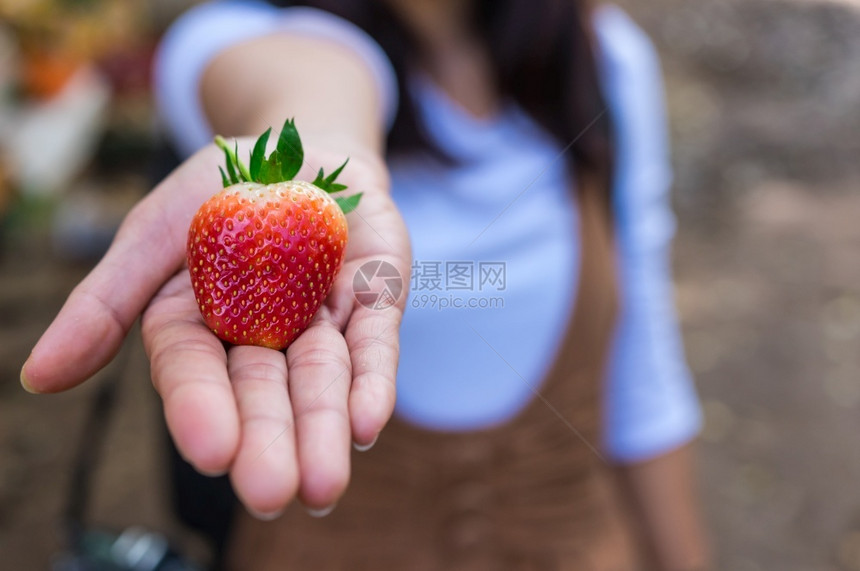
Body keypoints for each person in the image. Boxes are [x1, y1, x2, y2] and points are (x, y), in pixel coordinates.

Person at [22, 0, 710, 568]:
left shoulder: (604, 64)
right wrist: (319, 140)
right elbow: (308, 71)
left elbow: (640, 368)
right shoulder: (232, 32)